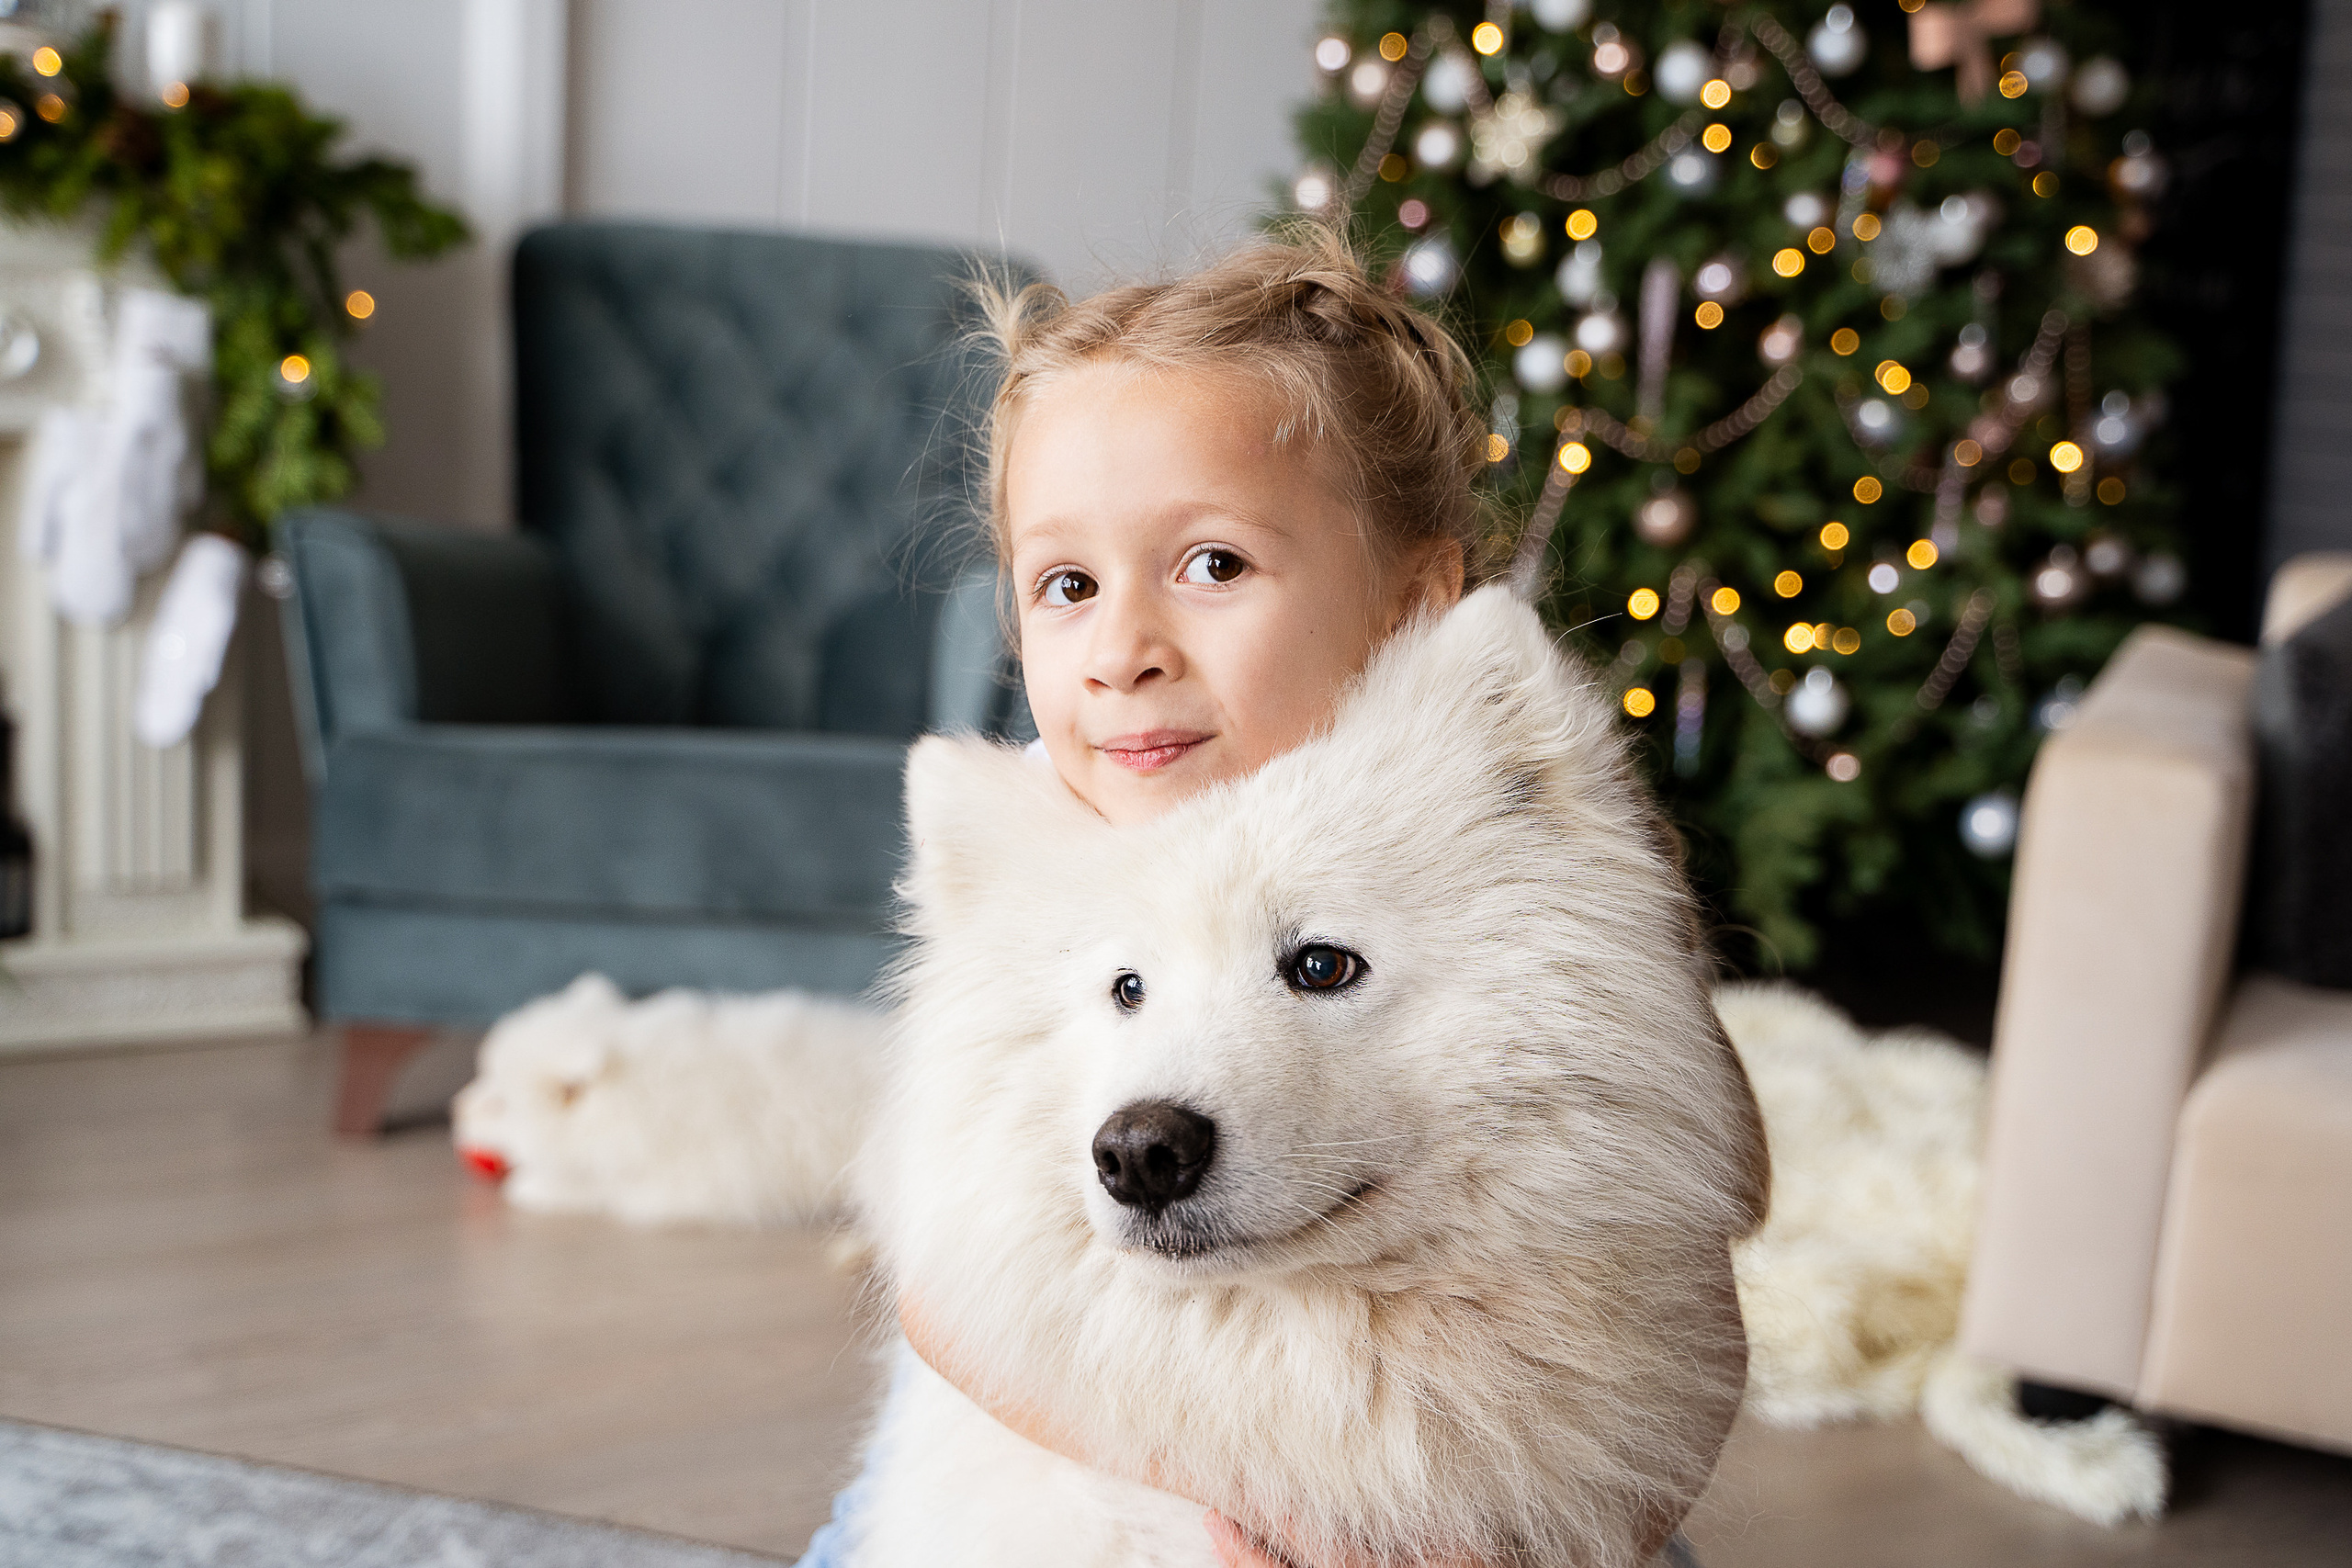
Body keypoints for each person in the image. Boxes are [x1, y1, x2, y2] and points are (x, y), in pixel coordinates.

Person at [801, 226, 1498, 1568]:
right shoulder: (1033, 858)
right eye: (1067, 585)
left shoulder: (1496, 829)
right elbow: (946, 1283)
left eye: (1213, 565)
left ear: (1416, 606)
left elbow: (1696, 1240)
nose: (1121, 651)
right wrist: (1208, 1474)